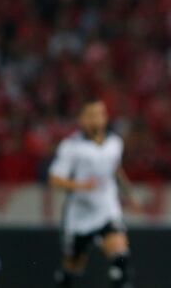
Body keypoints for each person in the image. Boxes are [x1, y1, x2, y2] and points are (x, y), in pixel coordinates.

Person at [48, 98, 134, 288]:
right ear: (81, 120)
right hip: (79, 214)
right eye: (91, 115)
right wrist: (81, 186)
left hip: (106, 209)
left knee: (120, 257)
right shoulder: (71, 146)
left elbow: (115, 169)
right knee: (72, 268)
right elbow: (55, 178)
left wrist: (128, 194)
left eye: (100, 114)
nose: (96, 119)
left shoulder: (115, 143)